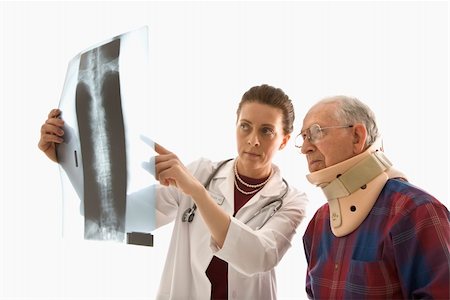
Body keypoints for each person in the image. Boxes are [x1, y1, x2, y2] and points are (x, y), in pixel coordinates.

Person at [39, 84, 308, 300]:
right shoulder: (202, 172)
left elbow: (258, 257)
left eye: (267, 131)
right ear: (235, 124)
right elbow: (120, 216)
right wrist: (68, 160)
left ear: (284, 140)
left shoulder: (292, 199)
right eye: (245, 126)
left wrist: (197, 193)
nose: (253, 140)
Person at [296, 95, 450, 299]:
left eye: (316, 133)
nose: (306, 148)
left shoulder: (418, 212)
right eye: (304, 137)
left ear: (357, 137)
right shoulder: (319, 223)